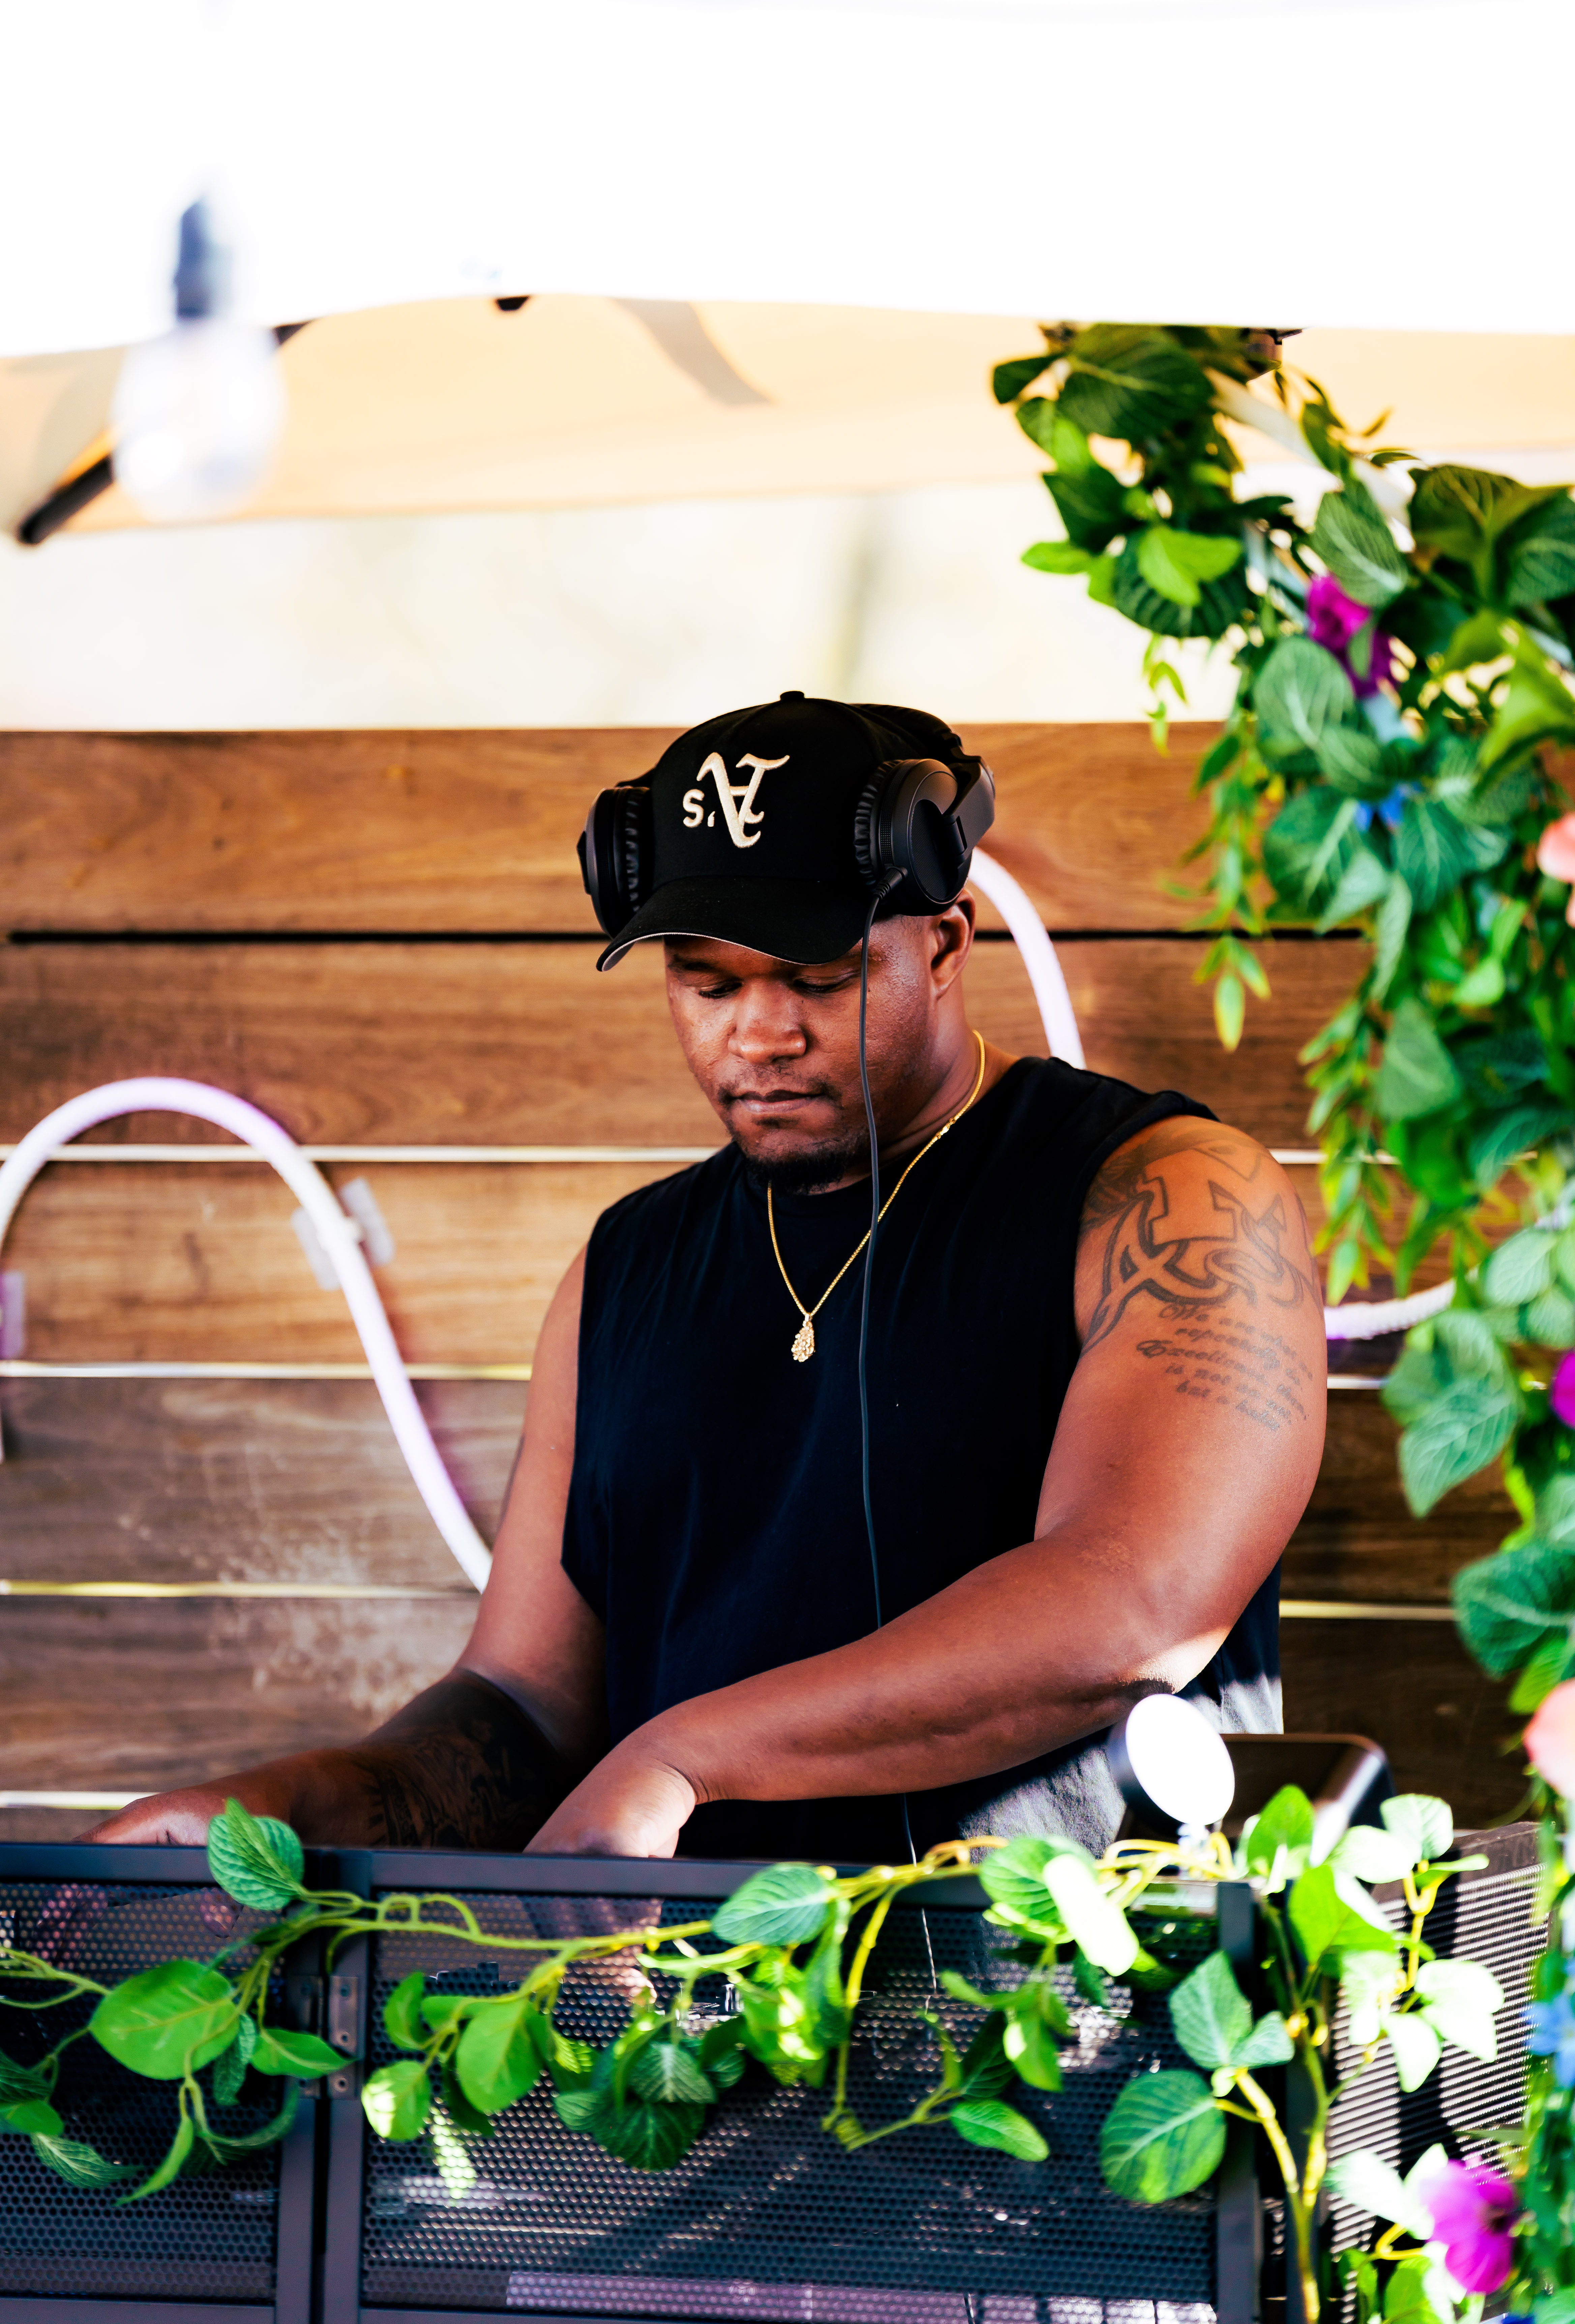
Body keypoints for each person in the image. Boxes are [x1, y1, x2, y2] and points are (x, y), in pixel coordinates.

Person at [92, 693, 1326, 1863]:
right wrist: (289, 1807)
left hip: (1067, 1998)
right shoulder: (622, 1270)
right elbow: (520, 1709)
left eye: (818, 978)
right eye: (709, 983)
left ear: (945, 945)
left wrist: (688, 1757)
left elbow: (1136, 1610)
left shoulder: (1168, 1197)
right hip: (685, 2010)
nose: (760, 1034)